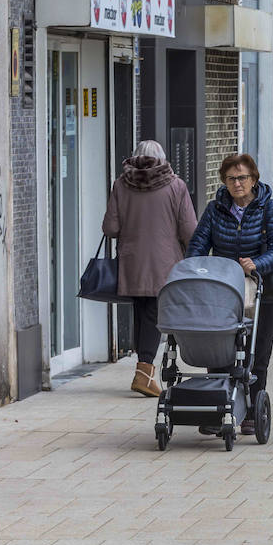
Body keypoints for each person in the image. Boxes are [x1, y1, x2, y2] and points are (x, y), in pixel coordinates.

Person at [187, 154, 273, 436]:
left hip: (262, 290)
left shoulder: (270, 207)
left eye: (242, 177)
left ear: (254, 179)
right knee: (219, 347)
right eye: (231, 178)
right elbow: (198, 244)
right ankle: (218, 407)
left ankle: (252, 412)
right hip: (223, 290)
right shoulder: (215, 209)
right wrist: (194, 270)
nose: (237, 183)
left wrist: (257, 264)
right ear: (224, 181)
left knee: (258, 353)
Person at [101, 140, 198, 398]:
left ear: (134, 158)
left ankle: (143, 371)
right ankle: (144, 373)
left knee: (141, 312)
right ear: (163, 159)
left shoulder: (121, 185)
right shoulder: (176, 186)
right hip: (164, 264)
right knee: (153, 315)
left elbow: (110, 228)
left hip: (132, 261)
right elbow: (189, 230)